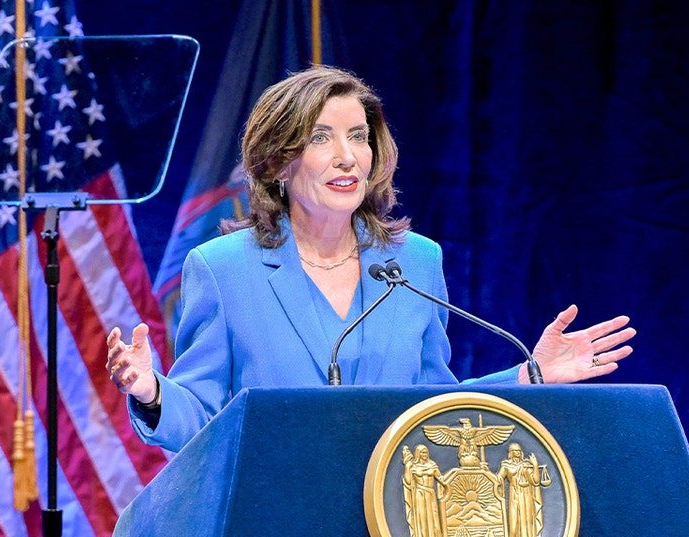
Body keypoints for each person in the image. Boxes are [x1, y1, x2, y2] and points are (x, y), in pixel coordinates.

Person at [106, 66, 635, 453]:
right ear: (279, 162)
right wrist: (151, 392)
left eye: (358, 137)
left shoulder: (415, 263)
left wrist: (529, 376)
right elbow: (202, 416)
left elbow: (434, 407)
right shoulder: (223, 270)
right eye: (321, 138)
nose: (347, 157)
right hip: (277, 527)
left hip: (397, 523)